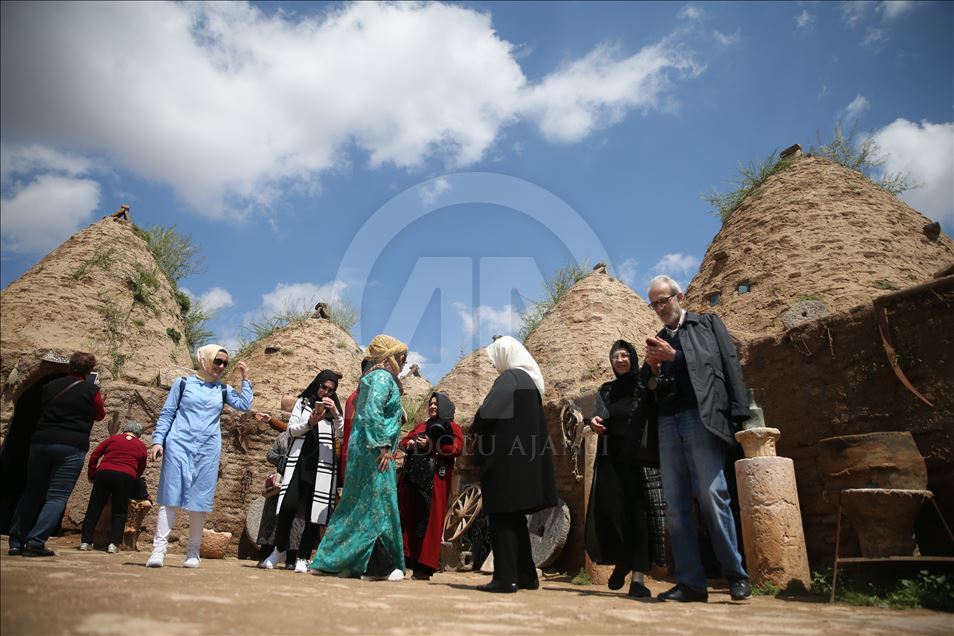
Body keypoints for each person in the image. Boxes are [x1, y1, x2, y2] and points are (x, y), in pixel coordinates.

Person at [643, 275, 751, 602]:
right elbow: (647, 389)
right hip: (667, 421)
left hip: (701, 418)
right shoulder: (658, 339)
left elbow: (724, 363)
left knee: (712, 495)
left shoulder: (707, 324)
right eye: (654, 304)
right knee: (675, 506)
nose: (660, 308)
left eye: (664, 300)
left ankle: (735, 575)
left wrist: (739, 411)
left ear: (680, 295)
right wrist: (651, 370)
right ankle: (691, 583)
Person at [308, 335, 407, 582]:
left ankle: (336, 562)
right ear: (388, 356)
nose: (404, 362)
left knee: (353, 507)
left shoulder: (369, 378)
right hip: (376, 454)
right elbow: (374, 412)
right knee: (378, 507)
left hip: (363, 452)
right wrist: (384, 446)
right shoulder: (382, 377)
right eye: (401, 357)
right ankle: (378, 567)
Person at [146, 345, 253, 569]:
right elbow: (168, 413)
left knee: (200, 500)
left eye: (225, 363)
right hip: (178, 444)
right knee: (170, 496)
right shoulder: (183, 384)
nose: (221, 366)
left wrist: (245, 379)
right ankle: (159, 549)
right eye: (218, 361)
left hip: (208, 449)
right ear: (205, 360)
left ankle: (193, 552)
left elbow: (244, 405)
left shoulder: (222, 390)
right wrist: (158, 441)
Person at [471, 336, 557, 593]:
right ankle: (527, 575)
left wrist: (476, 425)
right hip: (522, 463)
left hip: (505, 462)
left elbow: (487, 412)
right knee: (515, 518)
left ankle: (505, 578)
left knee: (501, 516)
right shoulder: (530, 383)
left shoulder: (510, 378)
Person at [585, 340, 666, 598]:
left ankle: (639, 579)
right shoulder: (606, 390)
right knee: (609, 511)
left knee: (637, 516)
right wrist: (593, 422)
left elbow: (656, 404)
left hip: (638, 458)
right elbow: (595, 416)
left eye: (624, 355)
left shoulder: (642, 382)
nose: (620, 360)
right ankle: (622, 560)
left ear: (632, 357)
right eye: (615, 357)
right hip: (610, 458)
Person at [8, 352, 106, 557]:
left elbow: (41, 406)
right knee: (57, 496)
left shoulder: (49, 386)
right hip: (72, 446)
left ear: (70, 366)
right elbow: (100, 415)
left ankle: (16, 542)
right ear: (89, 370)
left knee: (32, 492)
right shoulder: (91, 390)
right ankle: (36, 542)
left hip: (42, 441)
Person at [261, 370, 344, 573]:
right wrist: (310, 424)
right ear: (317, 384)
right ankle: (279, 550)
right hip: (300, 463)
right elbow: (290, 430)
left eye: (330, 390)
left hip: (322, 466)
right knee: (288, 506)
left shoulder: (333, 411)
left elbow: (342, 434)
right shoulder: (303, 403)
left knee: (313, 513)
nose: (325, 392)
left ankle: (303, 556)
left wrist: (335, 414)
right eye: (323, 387)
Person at [397, 392, 464, 580]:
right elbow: (404, 442)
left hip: (435, 482)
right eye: (431, 403)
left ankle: (425, 567)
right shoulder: (421, 426)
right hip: (414, 480)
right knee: (410, 519)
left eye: (436, 404)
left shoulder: (452, 427)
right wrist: (410, 444)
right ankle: (408, 559)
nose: (432, 406)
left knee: (431, 523)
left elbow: (456, 448)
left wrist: (432, 444)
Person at [79, 420, 148, 553]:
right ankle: (114, 544)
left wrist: (92, 473)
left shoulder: (113, 439)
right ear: (138, 434)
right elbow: (141, 467)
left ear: (124, 430)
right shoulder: (141, 446)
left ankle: (86, 542)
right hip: (125, 476)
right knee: (120, 510)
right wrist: (133, 477)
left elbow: (95, 454)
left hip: (104, 472)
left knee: (95, 507)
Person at [251, 425, 305, 570]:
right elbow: (270, 454)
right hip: (279, 484)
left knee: (296, 522)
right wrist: (281, 460)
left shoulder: (307, 439)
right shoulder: (283, 437)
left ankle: (291, 559)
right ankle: (264, 555)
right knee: (271, 521)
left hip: (299, 483)